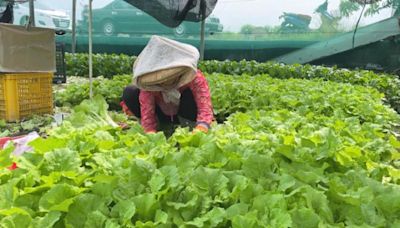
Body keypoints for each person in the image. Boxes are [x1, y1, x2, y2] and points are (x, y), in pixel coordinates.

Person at [120, 35, 214, 133]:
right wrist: (150, 132)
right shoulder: (150, 84)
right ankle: (161, 125)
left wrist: (202, 127)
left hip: (186, 113)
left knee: (188, 94)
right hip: (162, 114)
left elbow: (204, 106)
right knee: (130, 91)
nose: (166, 83)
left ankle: (188, 125)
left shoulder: (194, 77)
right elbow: (147, 111)